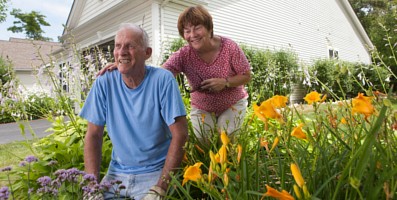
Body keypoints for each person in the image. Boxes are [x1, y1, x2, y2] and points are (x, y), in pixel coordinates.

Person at [99, 5, 251, 142]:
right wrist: (127, 64)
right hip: (203, 107)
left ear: (209, 28)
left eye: (197, 27)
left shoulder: (229, 47)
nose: (192, 34)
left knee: (226, 140)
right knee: (203, 143)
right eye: (187, 30)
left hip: (232, 104)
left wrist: (225, 82)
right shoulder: (184, 55)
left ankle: (230, 172)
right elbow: (160, 73)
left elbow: (246, 75)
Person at [80, 23, 188, 200]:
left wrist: (160, 188)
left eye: (130, 46)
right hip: (117, 174)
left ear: (147, 53)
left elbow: (181, 134)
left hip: (155, 173)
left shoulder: (163, 80)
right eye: (117, 46)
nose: (121, 52)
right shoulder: (104, 82)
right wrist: (92, 186)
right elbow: (93, 134)